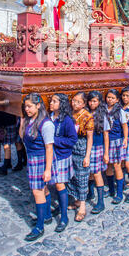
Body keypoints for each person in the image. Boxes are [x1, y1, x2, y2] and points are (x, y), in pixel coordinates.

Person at [19, 93, 58, 241]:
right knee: (44, 189)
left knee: (37, 191)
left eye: (29, 106)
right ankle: (47, 215)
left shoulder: (46, 124)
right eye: (25, 106)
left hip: (42, 159)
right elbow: (22, 136)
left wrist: (48, 169)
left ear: (38, 106)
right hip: (33, 158)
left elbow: (49, 148)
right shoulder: (30, 120)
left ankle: (39, 226)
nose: (27, 109)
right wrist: (22, 120)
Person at [49, 93, 78, 232]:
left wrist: (54, 140)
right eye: (51, 101)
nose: (51, 103)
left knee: (60, 184)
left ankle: (64, 216)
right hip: (50, 155)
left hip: (61, 155)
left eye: (55, 101)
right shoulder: (49, 117)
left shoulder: (66, 120)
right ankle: (59, 207)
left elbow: (72, 140)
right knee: (53, 183)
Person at [67, 92, 94, 222]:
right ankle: (76, 199)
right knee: (72, 175)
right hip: (70, 145)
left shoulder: (87, 117)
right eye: (74, 101)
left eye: (78, 102)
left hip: (82, 145)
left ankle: (82, 205)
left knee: (82, 176)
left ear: (84, 104)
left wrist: (87, 155)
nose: (75, 104)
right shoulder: (70, 114)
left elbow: (90, 138)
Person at [104, 89, 128, 204]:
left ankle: (119, 192)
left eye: (113, 98)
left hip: (116, 140)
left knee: (117, 166)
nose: (110, 100)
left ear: (117, 100)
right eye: (108, 97)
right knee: (108, 165)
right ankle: (111, 189)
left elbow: (125, 126)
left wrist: (126, 139)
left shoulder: (120, 111)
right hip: (106, 141)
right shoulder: (103, 109)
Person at [87, 91, 108, 214]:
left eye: (95, 101)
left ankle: (100, 201)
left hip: (97, 145)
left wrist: (106, 152)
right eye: (90, 101)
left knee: (96, 173)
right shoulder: (86, 113)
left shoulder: (102, 115)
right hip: (88, 146)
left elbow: (106, 135)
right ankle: (90, 192)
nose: (92, 103)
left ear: (99, 102)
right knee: (89, 171)